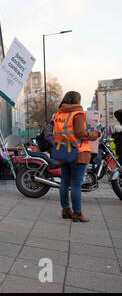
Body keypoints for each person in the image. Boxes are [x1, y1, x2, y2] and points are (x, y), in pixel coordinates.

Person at [53, 91, 100, 222]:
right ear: (77, 101)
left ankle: (66, 209)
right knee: (76, 185)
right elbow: (80, 133)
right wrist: (95, 134)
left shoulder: (58, 114)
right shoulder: (77, 114)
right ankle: (77, 213)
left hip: (63, 152)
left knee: (64, 182)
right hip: (79, 153)